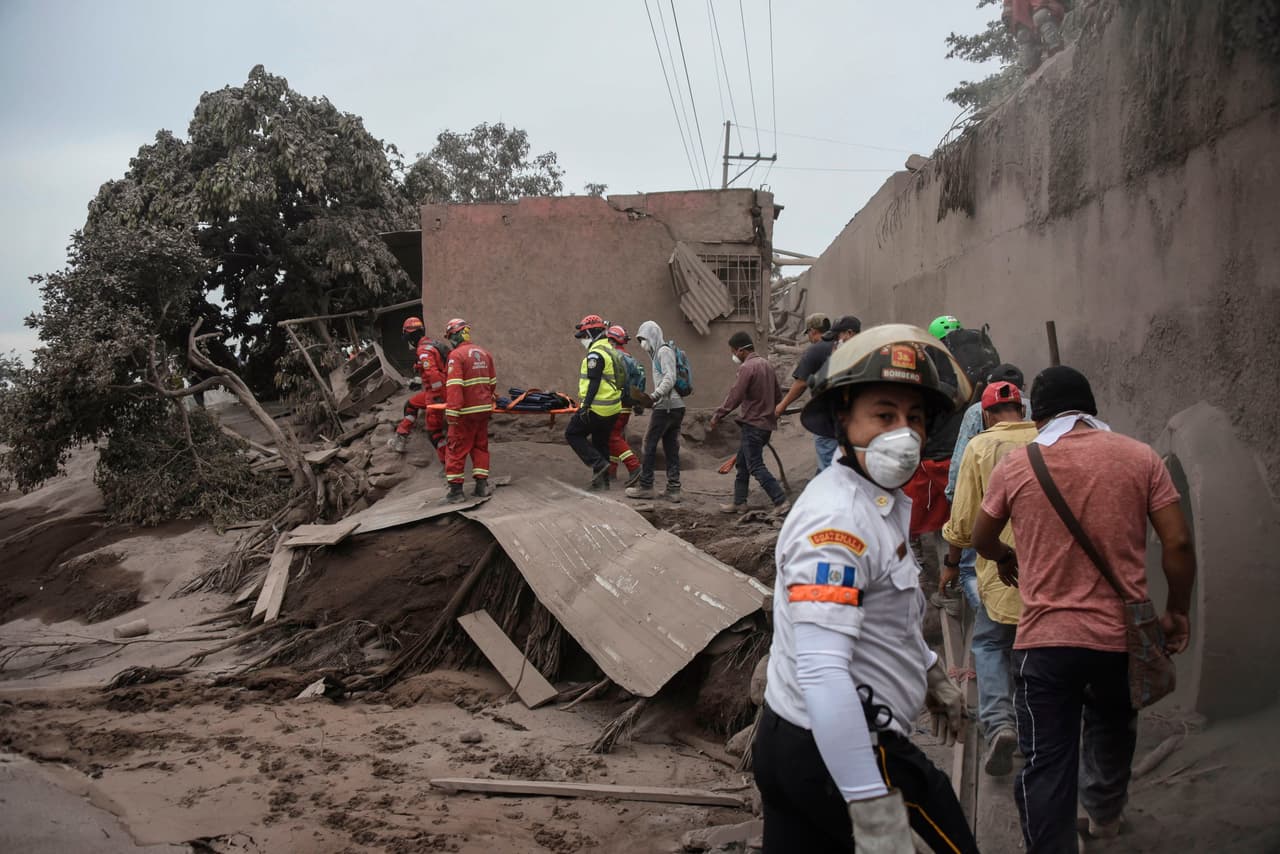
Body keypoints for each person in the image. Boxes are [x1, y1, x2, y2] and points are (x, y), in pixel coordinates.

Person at [753, 323, 976, 854]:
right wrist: (870, 808)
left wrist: (928, 673)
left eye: (915, 418)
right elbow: (823, 671)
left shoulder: (879, 503)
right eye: (884, 415)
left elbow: (886, 615)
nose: (904, 433)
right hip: (842, 748)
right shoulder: (836, 527)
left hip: (799, 739)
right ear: (841, 419)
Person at [973, 366, 1195, 852]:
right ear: (1090, 408)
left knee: (1046, 760)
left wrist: (1006, 556)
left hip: (1045, 642)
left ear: (1039, 415)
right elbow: (1177, 542)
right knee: (1113, 730)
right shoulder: (1140, 458)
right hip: (1121, 638)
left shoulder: (1018, 465)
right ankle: (1105, 819)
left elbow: (980, 536)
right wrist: (1177, 611)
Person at [940, 380, 1038, 777]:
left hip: (1001, 567)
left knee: (990, 643)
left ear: (984, 414)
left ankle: (999, 724)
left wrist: (950, 562)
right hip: (1047, 569)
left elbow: (964, 521)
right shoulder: (1046, 439)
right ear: (1023, 410)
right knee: (1032, 650)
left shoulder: (980, 447)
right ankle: (1035, 737)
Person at [935, 363, 1029, 612]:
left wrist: (951, 560)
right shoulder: (1042, 428)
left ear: (987, 414)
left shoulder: (978, 424)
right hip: (1034, 539)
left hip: (987, 524)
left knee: (969, 573)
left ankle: (981, 613)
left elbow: (957, 480)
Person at [709, 331, 789, 515]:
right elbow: (778, 395)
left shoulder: (747, 367)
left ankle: (780, 500)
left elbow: (735, 395)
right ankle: (739, 502)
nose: (734, 355)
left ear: (741, 350)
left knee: (755, 465)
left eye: (734, 351)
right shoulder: (767, 365)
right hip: (765, 425)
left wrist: (719, 414)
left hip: (753, 424)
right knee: (743, 464)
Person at [625, 319, 684, 502]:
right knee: (670, 446)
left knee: (648, 444)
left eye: (643, 338)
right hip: (675, 407)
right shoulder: (659, 353)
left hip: (666, 407)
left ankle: (646, 486)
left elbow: (670, 377)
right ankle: (673, 489)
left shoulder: (663, 351)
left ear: (652, 336)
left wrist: (654, 396)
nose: (642, 343)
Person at [774, 313, 839, 473]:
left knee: (828, 466)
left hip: (826, 417)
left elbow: (801, 383)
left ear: (812, 331)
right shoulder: (840, 345)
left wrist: (780, 407)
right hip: (847, 413)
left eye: (808, 333)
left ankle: (828, 491)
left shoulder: (815, 350)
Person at [441, 318, 496, 503]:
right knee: (480, 447)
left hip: (464, 413)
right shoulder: (484, 353)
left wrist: (452, 412)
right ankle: (482, 486)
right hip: (483, 410)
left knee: (456, 448)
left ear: (455, 334)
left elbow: (454, 385)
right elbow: (492, 383)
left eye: (450, 336)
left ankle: (456, 492)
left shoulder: (456, 356)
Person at [565, 314, 623, 490]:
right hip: (613, 408)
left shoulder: (596, 355)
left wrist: (586, 406)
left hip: (598, 407)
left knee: (573, 433)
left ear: (590, 334)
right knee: (601, 441)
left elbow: (595, 382)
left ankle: (597, 463)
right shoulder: (611, 350)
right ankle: (602, 482)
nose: (582, 340)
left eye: (583, 336)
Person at [389, 316, 449, 464]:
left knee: (434, 432)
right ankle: (401, 436)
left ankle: (448, 464)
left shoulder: (423, 350)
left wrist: (437, 397)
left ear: (410, 336)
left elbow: (433, 374)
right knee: (410, 404)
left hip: (438, 394)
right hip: (446, 388)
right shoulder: (434, 344)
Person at [603, 324, 643, 487]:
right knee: (614, 436)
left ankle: (634, 466)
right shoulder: (630, 358)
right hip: (627, 403)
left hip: (617, 402)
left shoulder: (614, 357)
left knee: (612, 437)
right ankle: (611, 471)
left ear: (611, 339)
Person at [1004, 0, 1066, 73]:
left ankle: (1030, 70)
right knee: (1055, 46)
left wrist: (1013, 28)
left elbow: (1006, 15)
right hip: (1042, 10)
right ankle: (1058, 54)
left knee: (1026, 45)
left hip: (1021, 25)